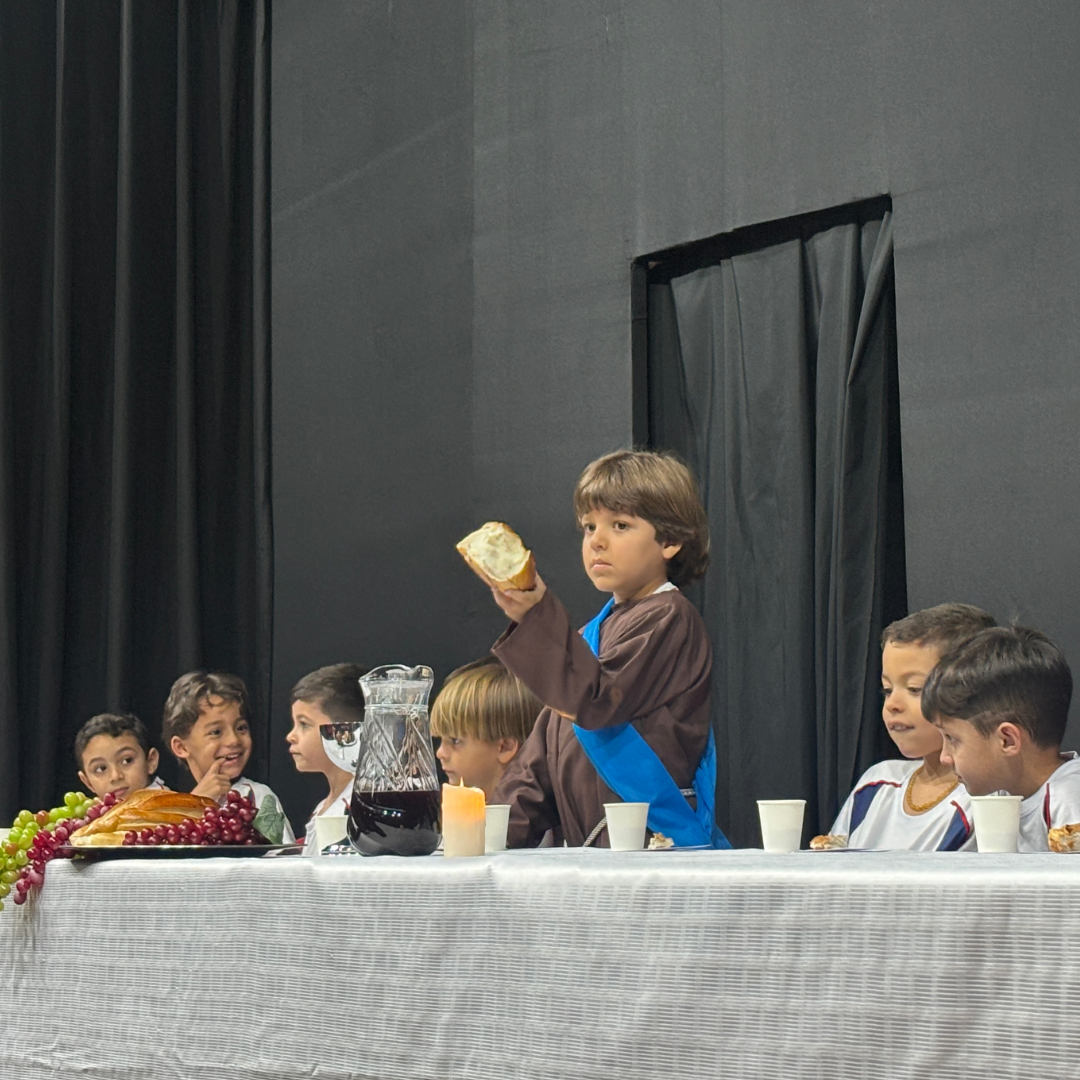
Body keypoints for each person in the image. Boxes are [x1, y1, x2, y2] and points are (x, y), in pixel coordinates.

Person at [484, 449, 727, 849]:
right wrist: (487, 834)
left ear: (670, 540)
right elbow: (538, 765)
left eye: (620, 525)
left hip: (655, 847)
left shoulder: (669, 617)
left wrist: (538, 616)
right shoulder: (588, 637)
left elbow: (595, 701)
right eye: (589, 526)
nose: (597, 540)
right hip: (597, 858)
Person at [811, 603, 996, 852]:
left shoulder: (988, 802)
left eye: (914, 689)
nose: (892, 705)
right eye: (887, 690)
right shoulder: (876, 784)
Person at [922, 625, 1078, 852]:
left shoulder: (1068, 802)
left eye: (952, 738)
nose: (944, 757)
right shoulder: (999, 792)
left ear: (1007, 740)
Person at [163, 671, 295, 841]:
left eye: (241, 728)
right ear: (181, 747)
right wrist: (197, 802)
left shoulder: (256, 797)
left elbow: (281, 855)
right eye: (216, 732)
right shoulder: (170, 811)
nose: (233, 740)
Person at [431, 656, 543, 802]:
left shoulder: (527, 814)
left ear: (505, 747)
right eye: (441, 739)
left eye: (455, 741)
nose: (440, 753)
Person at [288, 663, 364, 853]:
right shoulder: (324, 806)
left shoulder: (359, 807)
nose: (291, 736)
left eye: (304, 724)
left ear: (345, 732)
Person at [74, 712, 166, 802]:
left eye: (127, 760)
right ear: (88, 782)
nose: (115, 776)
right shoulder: (98, 810)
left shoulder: (167, 806)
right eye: (101, 769)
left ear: (150, 761)